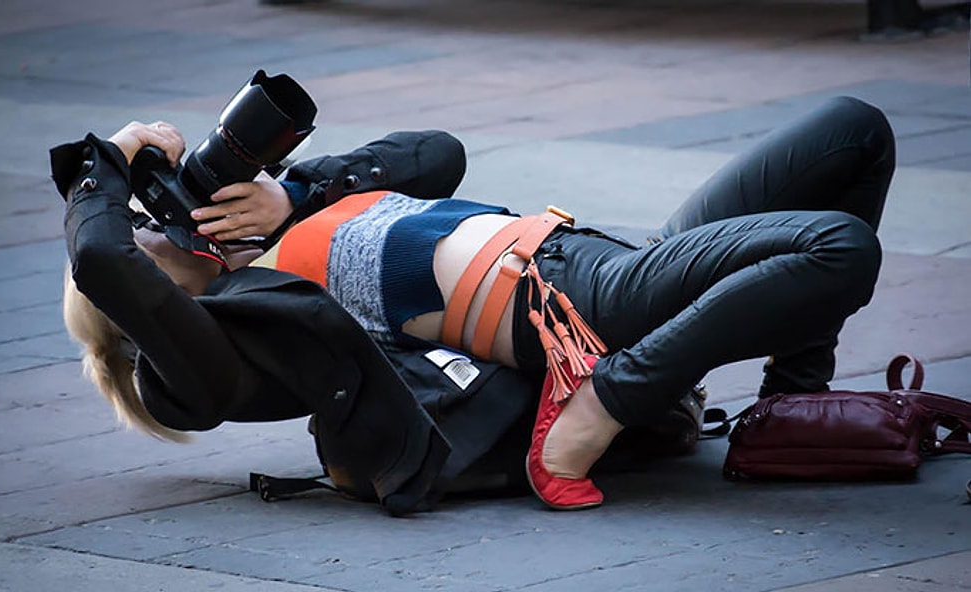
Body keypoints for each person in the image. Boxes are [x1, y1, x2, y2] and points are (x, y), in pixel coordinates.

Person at [55, 95, 893, 512]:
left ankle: (792, 407)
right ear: (149, 300)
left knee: (853, 129)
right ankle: (610, 397)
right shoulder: (224, 343)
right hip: (583, 308)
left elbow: (436, 153)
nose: (149, 221)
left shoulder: (278, 231)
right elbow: (99, 259)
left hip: (601, 261)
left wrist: (294, 195)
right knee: (837, 248)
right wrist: (110, 160)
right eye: (141, 230)